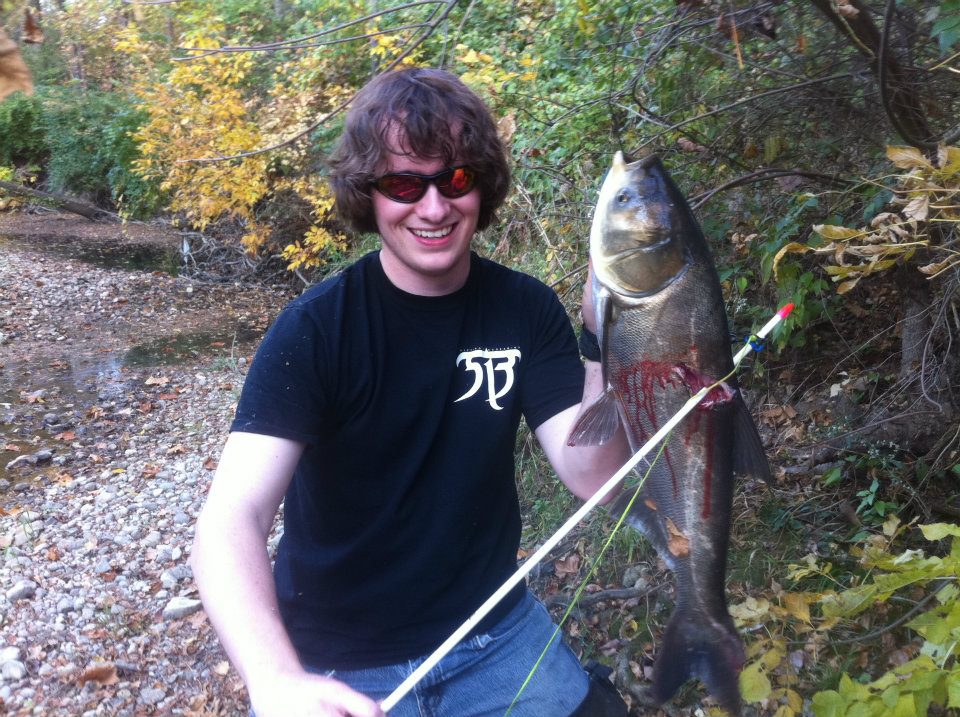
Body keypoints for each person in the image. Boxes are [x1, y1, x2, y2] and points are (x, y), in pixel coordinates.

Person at [191, 67, 631, 717]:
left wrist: (602, 338)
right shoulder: (316, 329)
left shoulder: (525, 308)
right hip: (334, 660)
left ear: (481, 185)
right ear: (368, 194)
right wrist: (275, 677)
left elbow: (595, 478)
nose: (433, 207)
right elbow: (232, 517)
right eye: (404, 183)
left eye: (456, 179)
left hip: (495, 635)